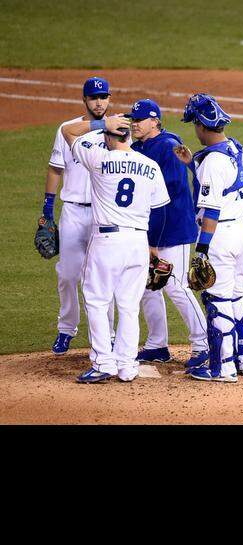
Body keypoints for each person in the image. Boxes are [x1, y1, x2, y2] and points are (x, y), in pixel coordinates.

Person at [60, 113, 171, 383]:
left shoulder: (100, 159)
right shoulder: (151, 165)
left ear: (110, 136)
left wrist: (101, 123)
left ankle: (103, 363)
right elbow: (160, 211)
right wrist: (151, 248)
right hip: (137, 243)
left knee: (98, 302)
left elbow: (68, 131)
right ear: (129, 136)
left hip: (107, 242)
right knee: (130, 306)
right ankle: (127, 366)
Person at [173, 93, 243, 382]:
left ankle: (222, 367)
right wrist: (191, 165)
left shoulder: (211, 163)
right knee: (236, 294)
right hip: (242, 233)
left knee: (216, 300)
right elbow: (225, 186)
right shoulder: (238, 149)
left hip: (219, 235)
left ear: (201, 125)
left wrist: (201, 250)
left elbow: (211, 211)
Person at [128, 98, 210, 371]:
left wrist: (154, 241)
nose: (134, 123)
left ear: (155, 121)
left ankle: (203, 345)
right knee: (148, 285)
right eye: (133, 119)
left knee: (176, 287)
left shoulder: (168, 147)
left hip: (173, 227)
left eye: (140, 119)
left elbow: (171, 195)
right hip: (149, 227)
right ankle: (156, 345)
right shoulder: (139, 146)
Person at [40, 77, 116, 354]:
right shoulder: (68, 130)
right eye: (94, 97)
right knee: (68, 275)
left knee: (102, 277)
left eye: (104, 97)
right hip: (72, 211)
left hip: (103, 214)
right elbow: (55, 169)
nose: (99, 102)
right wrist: (47, 210)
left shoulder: (119, 130)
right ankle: (66, 328)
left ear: (109, 98)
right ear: (84, 100)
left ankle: (107, 334)